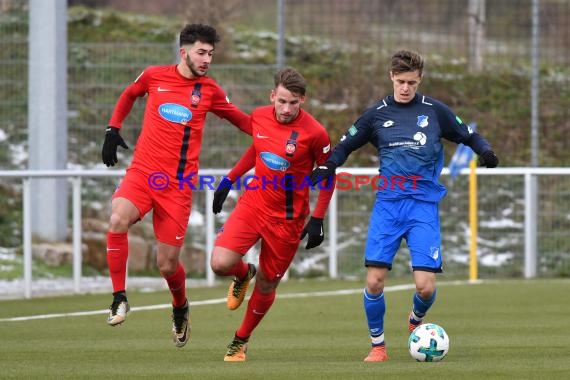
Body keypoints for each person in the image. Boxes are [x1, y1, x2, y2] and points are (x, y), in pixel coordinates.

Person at [310, 50, 499, 362]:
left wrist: (486, 151)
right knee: (374, 280)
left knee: (425, 287)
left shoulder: (435, 111)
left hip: (423, 206)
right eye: (400, 81)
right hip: (388, 205)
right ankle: (378, 347)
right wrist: (329, 165)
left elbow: (468, 134)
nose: (405, 87)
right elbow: (345, 144)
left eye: (411, 82)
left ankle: (415, 320)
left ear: (420, 79)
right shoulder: (376, 115)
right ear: (391, 77)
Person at [100, 23, 251, 348]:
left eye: (211, 53)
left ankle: (180, 306)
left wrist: (274, 136)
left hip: (178, 187)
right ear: (184, 52)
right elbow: (129, 94)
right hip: (143, 174)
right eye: (201, 52)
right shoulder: (154, 76)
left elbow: (243, 120)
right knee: (116, 220)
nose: (207, 58)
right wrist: (113, 129)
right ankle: (119, 297)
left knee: (166, 265)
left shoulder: (209, 90)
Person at [209, 67, 335, 362]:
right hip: (253, 205)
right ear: (272, 96)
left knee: (267, 284)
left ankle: (240, 341)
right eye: (281, 101)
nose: (286, 108)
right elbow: (258, 149)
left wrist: (317, 218)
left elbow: (328, 175)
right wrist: (229, 180)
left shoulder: (315, 133)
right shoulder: (260, 116)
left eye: (293, 102)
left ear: (302, 100)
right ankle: (243, 274)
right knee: (220, 263)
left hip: (287, 221)